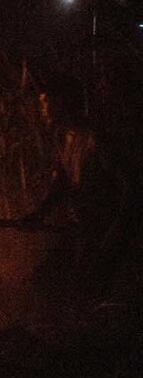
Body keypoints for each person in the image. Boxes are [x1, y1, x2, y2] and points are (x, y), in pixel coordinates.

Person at [21, 73, 128, 306]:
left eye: (46, 102)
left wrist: (112, 236)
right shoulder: (65, 138)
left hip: (101, 231)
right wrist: (38, 214)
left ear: (63, 102)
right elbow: (62, 183)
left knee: (83, 294)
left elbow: (130, 189)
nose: (43, 109)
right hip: (80, 228)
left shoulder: (96, 138)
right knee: (43, 280)